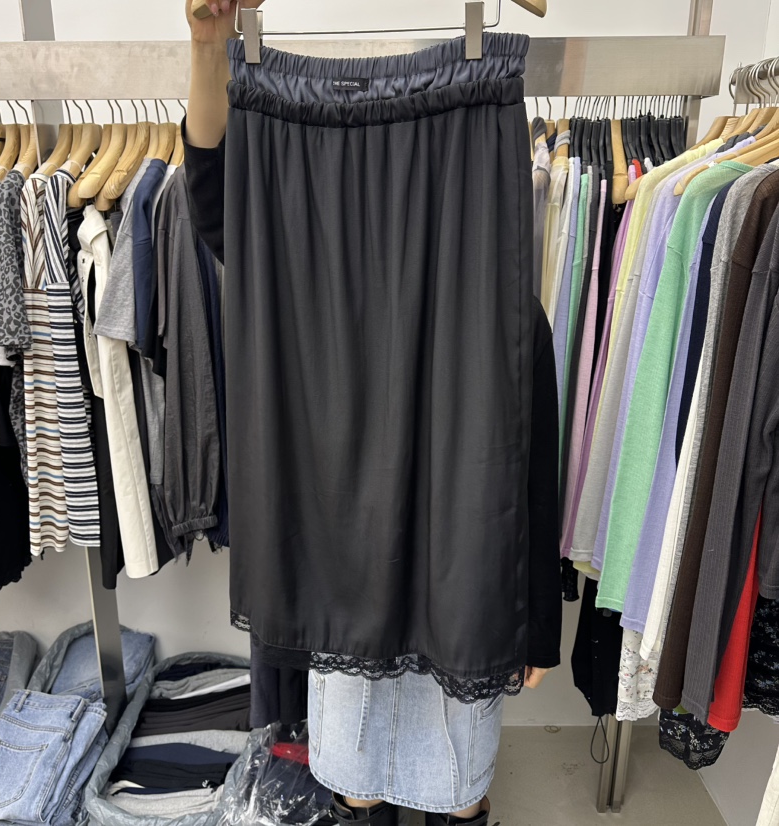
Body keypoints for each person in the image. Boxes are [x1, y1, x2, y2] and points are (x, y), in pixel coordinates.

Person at [183, 3, 562, 825]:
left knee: (459, 782)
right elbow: (216, 202)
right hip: (345, 578)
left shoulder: (497, 320)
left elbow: (526, 473)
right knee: (356, 777)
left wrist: (537, 628)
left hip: (456, 581)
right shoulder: (301, 288)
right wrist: (210, 51)